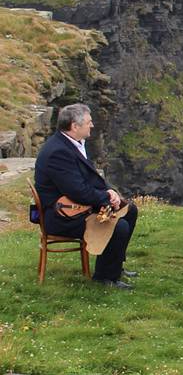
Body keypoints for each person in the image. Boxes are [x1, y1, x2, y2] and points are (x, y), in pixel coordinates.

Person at [34, 103, 139, 288]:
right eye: (89, 122)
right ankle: (105, 278)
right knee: (118, 226)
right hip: (62, 217)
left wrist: (110, 192)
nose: (92, 126)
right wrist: (105, 199)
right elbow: (77, 191)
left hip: (76, 206)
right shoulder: (58, 152)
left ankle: (115, 265)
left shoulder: (71, 143)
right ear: (75, 126)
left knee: (129, 210)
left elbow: (90, 178)